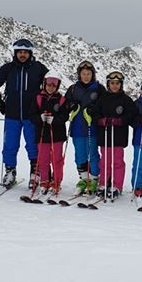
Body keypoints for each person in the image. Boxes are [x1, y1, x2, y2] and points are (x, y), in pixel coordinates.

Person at [0, 38, 48, 187]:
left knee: (33, 145)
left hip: (32, 115)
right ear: (15, 53)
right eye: (20, 52)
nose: (22, 55)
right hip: (12, 114)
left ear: (30, 53)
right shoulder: (8, 68)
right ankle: (10, 171)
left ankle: (35, 172)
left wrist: (45, 104)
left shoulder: (38, 68)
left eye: (25, 52)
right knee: (10, 145)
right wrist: (0, 103)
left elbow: (51, 85)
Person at [86, 70, 136, 197]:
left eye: (117, 83)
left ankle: (116, 185)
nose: (115, 86)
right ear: (108, 84)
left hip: (118, 136)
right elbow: (95, 113)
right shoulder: (102, 98)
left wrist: (120, 120)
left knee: (117, 161)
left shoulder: (126, 99)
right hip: (105, 135)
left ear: (121, 85)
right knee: (105, 161)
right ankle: (103, 183)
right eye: (112, 83)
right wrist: (101, 120)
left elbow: (132, 114)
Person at [64, 61, 104, 194]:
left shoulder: (99, 89)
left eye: (88, 74)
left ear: (92, 75)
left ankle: (94, 179)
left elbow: (105, 105)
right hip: (77, 128)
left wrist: (95, 110)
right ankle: (83, 178)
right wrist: (71, 105)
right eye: (83, 74)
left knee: (92, 154)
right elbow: (65, 104)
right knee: (80, 155)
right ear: (79, 75)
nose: (86, 76)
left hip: (92, 128)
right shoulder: (73, 89)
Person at [29, 72, 69, 194]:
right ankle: (45, 180)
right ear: (44, 84)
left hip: (57, 134)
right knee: (43, 158)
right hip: (42, 134)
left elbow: (65, 116)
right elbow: (31, 115)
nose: (51, 87)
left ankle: (56, 181)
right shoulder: (38, 98)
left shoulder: (61, 100)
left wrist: (55, 120)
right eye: (49, 84)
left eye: (54, 85)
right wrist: (40, 118)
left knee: (57, 159)